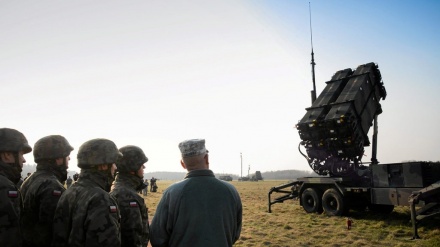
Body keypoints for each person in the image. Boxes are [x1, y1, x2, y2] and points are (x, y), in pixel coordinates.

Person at [150, 139, 242, 247]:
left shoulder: (172, 193)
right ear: (207, 158)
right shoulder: (230, 191)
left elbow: (157, 238)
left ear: (182, 164)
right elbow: (235, 233)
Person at [52, 138, 122, 247]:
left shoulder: (69, 192)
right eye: (113, 163)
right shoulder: (101, 199)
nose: (115, 167)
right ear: (103, 165)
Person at [20, 135, 74, 247]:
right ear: (58, 158)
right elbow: (55, 232)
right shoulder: (52, 186)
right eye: (67, 155)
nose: (69, 159)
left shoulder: (30, 179)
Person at [110, 145, 150, 247]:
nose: (144, 167)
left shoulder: (118, 188)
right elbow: (132, 238)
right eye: (141, 165)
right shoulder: (127, 196)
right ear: (133, 168)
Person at [0, 128, 32, 247]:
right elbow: (9, 238)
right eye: (21, 154)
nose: (23, 159)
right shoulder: (4, 187)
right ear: (7, 155)